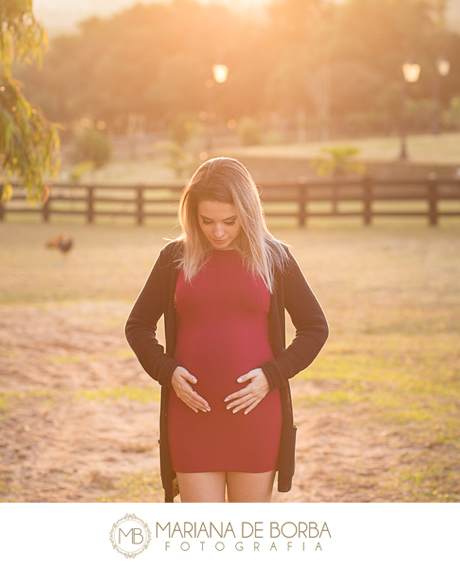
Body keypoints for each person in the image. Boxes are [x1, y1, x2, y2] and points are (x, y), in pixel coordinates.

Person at [126, 157, 328, 502]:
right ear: (193, 216)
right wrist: (167, 371)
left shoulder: (274, 258)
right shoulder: (173, 258)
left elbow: (314, 328)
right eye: (207, 221)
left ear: (248, 213)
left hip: (256, 417)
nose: (218, 231)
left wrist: (272, 375)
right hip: (191, 417)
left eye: (229, 221)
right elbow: (138, 326)